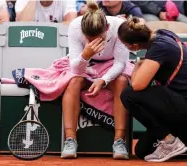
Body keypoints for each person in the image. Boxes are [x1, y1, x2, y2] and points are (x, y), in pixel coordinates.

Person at [117, 17, 187, 162]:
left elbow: (137, 85)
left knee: (128, 95)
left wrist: (137, 65)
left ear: (133, 46)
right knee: (142, 151)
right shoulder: (163, 34)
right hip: (182, 105)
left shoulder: (159, 47)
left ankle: (170, 142)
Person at [61, 1, 130, 160]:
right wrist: (86, 55)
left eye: (98, 38)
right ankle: (70, 140)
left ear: (107, 28)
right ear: (82, 31)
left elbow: (120, 63)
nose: (93, 42)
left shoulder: (120, 27)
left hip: (112, 66)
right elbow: (76, 69)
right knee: (74, 82)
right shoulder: (74, 27)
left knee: (121, 82)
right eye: (88, 38)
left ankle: (119, 141)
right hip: (84, 64)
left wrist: (104, 80)